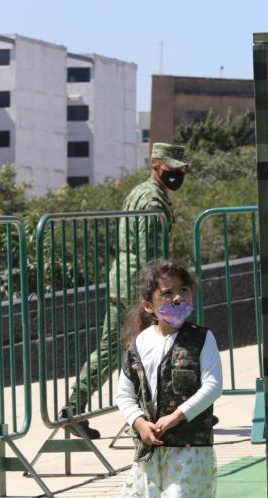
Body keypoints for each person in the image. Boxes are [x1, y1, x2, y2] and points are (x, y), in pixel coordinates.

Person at [61, 143, 186, 439]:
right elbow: (149, 251)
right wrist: (158, 291)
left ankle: (75, 408)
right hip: (137, 284)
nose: (177, 174)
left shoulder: (141, 191)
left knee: (131, 348)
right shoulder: (152, 198)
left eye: (181, 169)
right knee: (155, 346)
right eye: (172, 169)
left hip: (127, 279)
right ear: (156, 165)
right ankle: (72, 408)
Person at [109, 259, 223, 498]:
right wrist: (139, 423)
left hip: (188, 443)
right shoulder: (139, 344)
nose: (177, 298)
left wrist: (176, 416)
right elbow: (124, 393)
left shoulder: (201, 338)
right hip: (151, 446)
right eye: (167, 293)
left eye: (183, 290)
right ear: (148, 305)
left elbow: (213, 385)